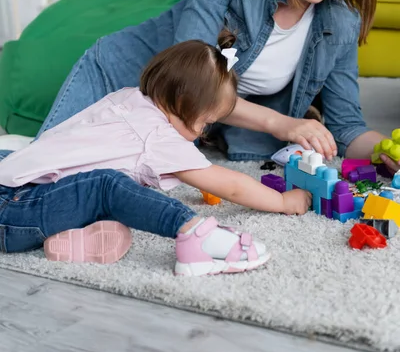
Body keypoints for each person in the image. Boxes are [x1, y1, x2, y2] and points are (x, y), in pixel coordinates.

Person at [36, 0, 396, 172]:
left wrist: (386, 149)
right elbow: (190, 82)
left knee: (112, 183)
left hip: (181, 122)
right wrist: (282, 123)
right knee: (43, 170)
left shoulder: (341, 22)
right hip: (124, 78)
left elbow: (347, 126)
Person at [0, 39, 312, 276]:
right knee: (107, 186)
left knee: (96, 187)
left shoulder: (127, 98)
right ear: (180, 102)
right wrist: (284, 202)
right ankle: (193, 235)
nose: (205, 132)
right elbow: (230, 185)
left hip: (17, 192)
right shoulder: (156, 136)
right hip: (13, 212)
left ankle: (75, 237)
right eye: (205, 122)